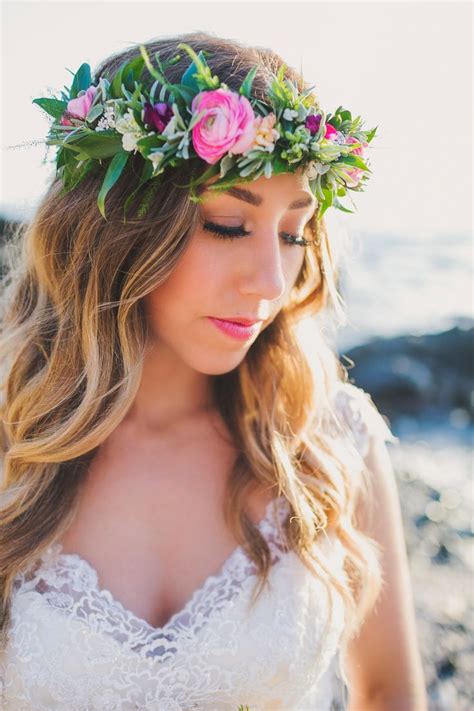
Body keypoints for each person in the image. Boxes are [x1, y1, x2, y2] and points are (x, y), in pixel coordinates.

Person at [0, 31, 427, 710]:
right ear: (121, 226)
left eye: (293, 234)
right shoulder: (12, 441)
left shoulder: (332, 442)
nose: (269, 282)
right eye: (229, 224)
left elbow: (388, 692)